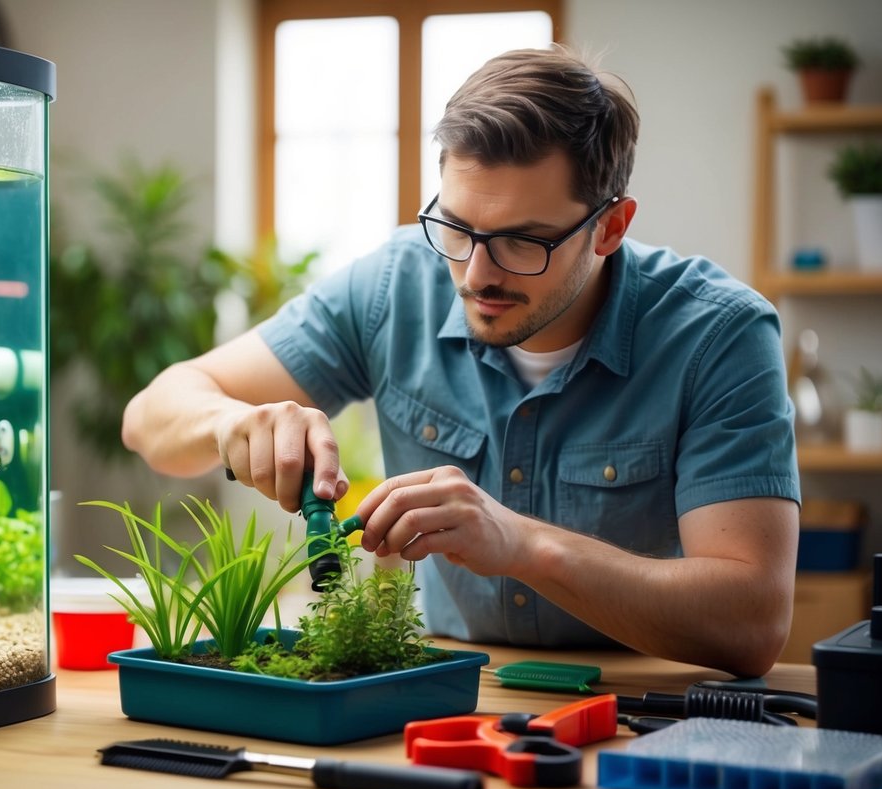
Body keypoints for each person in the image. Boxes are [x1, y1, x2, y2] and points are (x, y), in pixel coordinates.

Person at [122, 45, 800, 678]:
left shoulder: (718, 335)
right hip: (448, 699)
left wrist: (525, 546)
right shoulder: (395, 287)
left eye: (521, 242)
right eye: (455, 227)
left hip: (646, 711)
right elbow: (151, 420)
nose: (475, 273)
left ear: (610, 227)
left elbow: (752, 623)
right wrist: (229, 426)